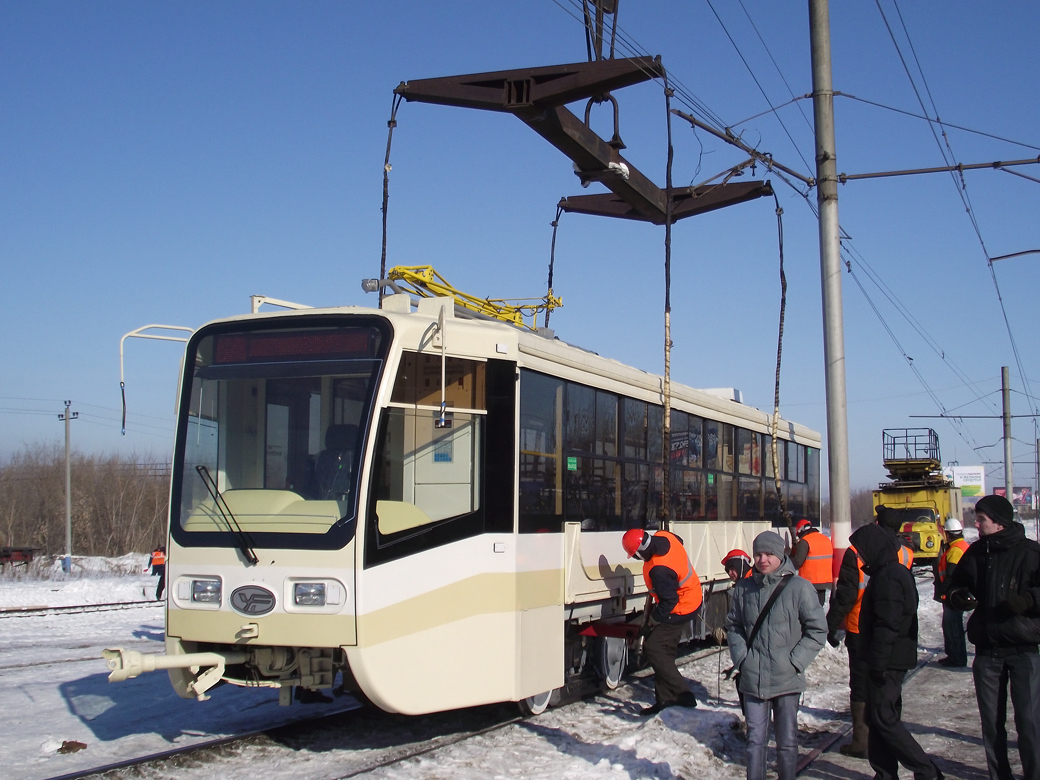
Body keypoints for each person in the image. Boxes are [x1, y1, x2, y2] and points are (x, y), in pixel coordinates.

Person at [947, 494, 1040, 780]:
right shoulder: (976, 553)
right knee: (991, 724)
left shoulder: (1030, 553)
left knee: (1029, 723)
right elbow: (953, 587)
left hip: (1023, 650)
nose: (976, 523)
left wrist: (1027, 601)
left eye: (981, 519)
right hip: (987, 653)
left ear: (998, 522)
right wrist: (959, 597)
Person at [726, 531, 826, 780]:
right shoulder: (743, 589)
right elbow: (734, 626)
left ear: (780, 555)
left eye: (769, 554)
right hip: (753, 677)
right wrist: (742, 659)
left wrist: (795, 662)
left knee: (787, 742)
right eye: (758, 554)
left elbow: (817, 630)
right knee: (755, 741)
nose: (763, 559)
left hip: (786, 678)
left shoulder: (799, 588)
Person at [852, 523, 943, 780]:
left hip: (889, 660)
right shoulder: (890, 572)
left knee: (884, 717)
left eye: (861, 551)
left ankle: (926, 771)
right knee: (877, 716)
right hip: (888, 657)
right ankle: (884, 772)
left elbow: (888, 624)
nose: (859, 556)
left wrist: (878, 663)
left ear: (873, 549)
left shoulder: (889, 577)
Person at [622, 528, 702, 715]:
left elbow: (669, 602)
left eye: (635, 555)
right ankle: (665, 699)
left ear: (642, 551)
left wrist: (651, 622)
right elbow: (679, 539)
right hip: (688, 596)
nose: (636, 558)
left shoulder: (660, 570)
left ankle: (683, 694)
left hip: (682, 606)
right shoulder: (664, 535)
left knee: (654, 648)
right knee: (663, 652)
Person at [825, 538, 869, 758]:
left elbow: (845, 595)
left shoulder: (855, 552)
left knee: (860, 685)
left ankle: (862, 742)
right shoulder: (904, 551)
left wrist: (830, 625)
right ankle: (885, 737)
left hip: (859, 628)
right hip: (887, 630)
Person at [933, 518, 969, 667]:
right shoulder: (960, 546)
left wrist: (943, 592)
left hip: (952, 594)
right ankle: (954, 655)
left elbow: (951, 574)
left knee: (952, 626)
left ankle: (957, 657)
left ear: (947, 533)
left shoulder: (955, 550)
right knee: (953, 625)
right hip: (956, 593)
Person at [790, 519, 834, 606]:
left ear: (801, 530)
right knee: (818, 607)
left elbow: (798, 561)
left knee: (808, 607)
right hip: (825, 581)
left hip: (809, 581)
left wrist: (787, 559)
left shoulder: (805, 541)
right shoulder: (825, 539)